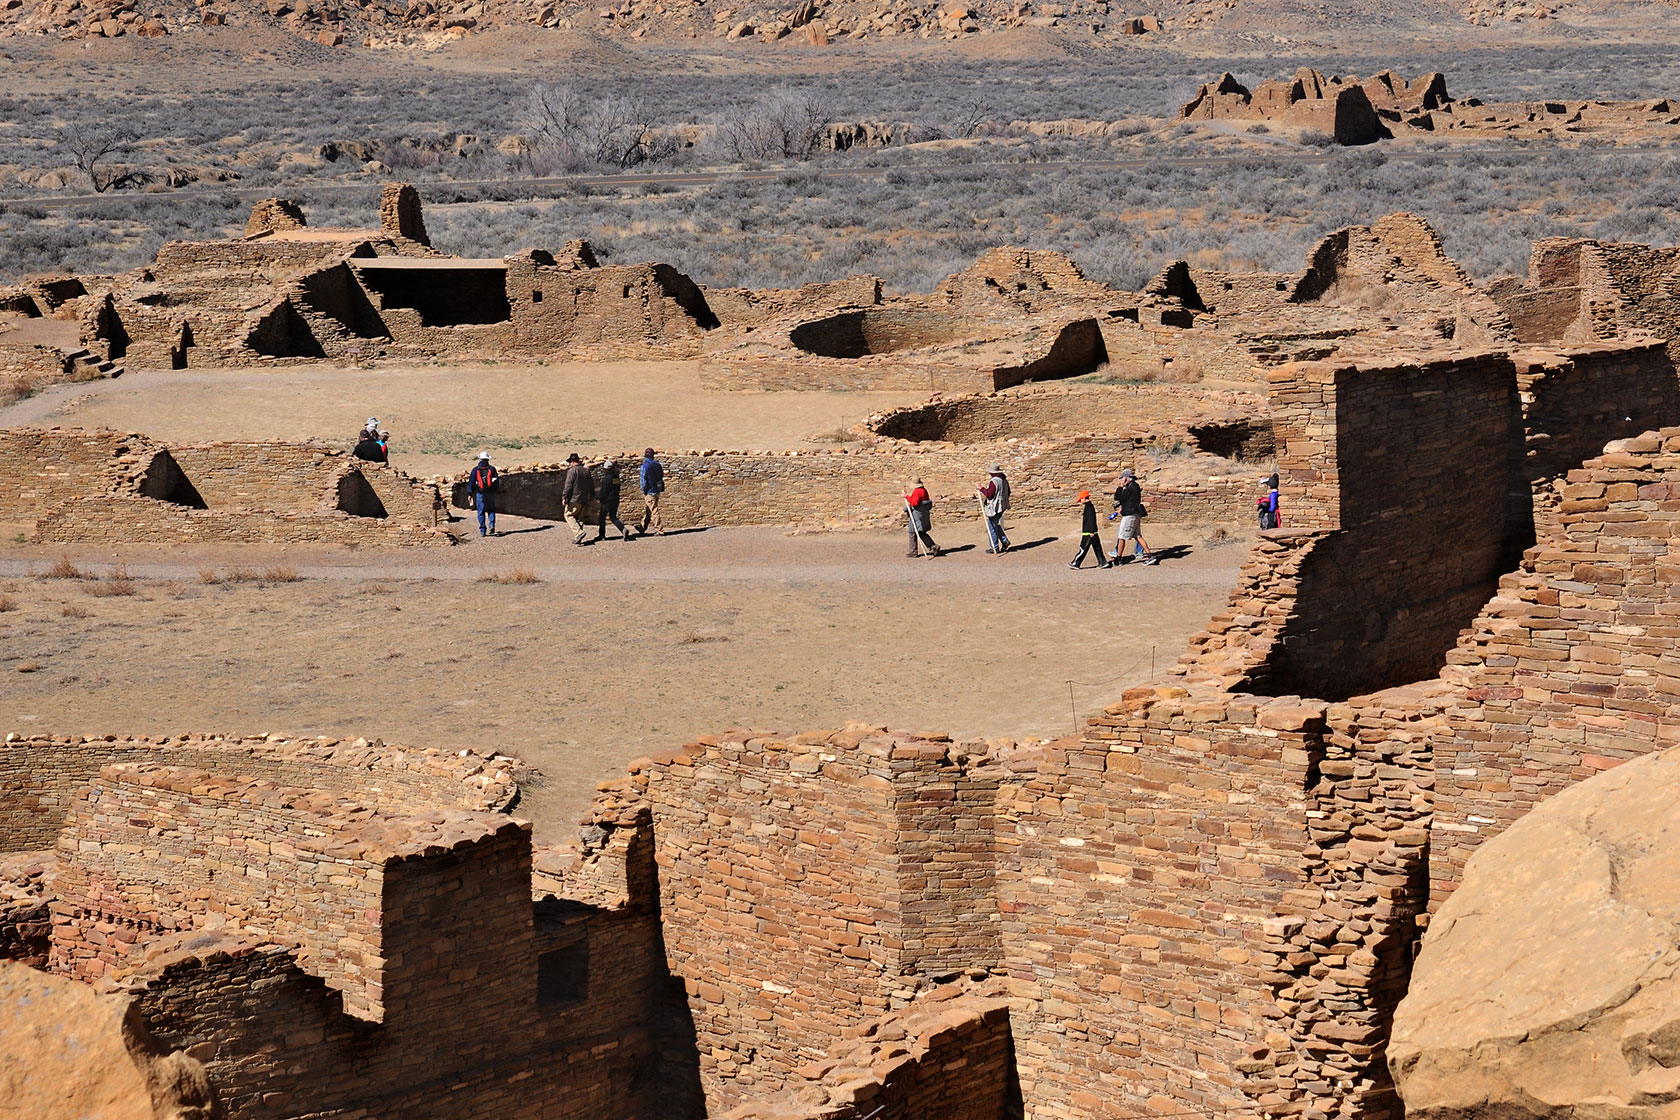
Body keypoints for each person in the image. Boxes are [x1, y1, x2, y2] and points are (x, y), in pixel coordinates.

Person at [1108, 468, 1158, 565]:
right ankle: (1150, 555)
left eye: (1122, 478)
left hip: (1130, 516)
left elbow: (1118, 497)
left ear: (1126, 478)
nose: (1121, 480)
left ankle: (1118, 558)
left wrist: (1120, 486)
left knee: (1121, 537)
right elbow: (1129, 501)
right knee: (1138, 536)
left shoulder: (1131, 487)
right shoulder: (1134, 486)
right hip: (1134, 513)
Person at [1069, 490, 1112, 569]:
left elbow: (1091, 520)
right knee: (1097, 548)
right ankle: (1103, 562)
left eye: (1080, 499)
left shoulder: (1089, 508)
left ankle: (1075, 563)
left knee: (1083, 548)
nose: (1080, 501)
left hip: (1088, 533)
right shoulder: (1089, 506)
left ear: (1084, 498)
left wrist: (1091, 531)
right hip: (1093, 532)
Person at [561, 452, 595, 546]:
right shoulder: (586, 471)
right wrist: (592, 495)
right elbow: (591, 484)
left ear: (572, 462)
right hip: (584, 498)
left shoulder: (572, 471)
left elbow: (568, 485)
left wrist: (564, 497)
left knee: (568, 515)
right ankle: (578, 538)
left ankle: (579, 533)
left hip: (574, 498)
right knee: (579, 518)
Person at [977, 464, 1011, 554]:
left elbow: (989, 494)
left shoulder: (994, 481)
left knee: (991, 526)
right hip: (1002, 505)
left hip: (995, 506)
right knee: (995, 524)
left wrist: (981, 489)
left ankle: (994, 546)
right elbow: (1008, 492)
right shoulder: (1004, 480)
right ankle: (1004, 540)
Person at [903, 477, 940, 558]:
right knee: (921, 531)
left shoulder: (917, 491)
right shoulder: (924, 490)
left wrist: (907, 496)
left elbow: (914, 503)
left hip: (917, 514)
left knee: (912, 532)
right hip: (923, 513)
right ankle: (933, 546)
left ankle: (913, 551)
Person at [595, 460, 630, 542]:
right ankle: (623, 529)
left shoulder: (607, 479)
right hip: (615, 499)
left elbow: (604, 492)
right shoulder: (616, 477)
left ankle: (602, 535)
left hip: (607, 501)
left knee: (602, 518)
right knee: (613, 517)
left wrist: (597, 497)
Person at [466, 451, 498, 538]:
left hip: (480, 493)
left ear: (479, 459)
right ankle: (491, 524)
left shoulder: (475, 470)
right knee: (491, 509)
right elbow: (496, 482)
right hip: (490, 493)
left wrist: (470, 493)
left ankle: (483, 530)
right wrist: (495, 490)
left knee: (481, 511)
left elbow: (471, 483)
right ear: (488, 459)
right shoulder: (492, 469)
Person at [637, 448, 665, 537]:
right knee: (649, 509)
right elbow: (661, 476)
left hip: (649, 491)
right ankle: (643, 527)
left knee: (653, 510)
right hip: (657, 490)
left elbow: (643, 480)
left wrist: (644, 490)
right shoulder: (658, 465)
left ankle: (659, 529)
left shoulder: (645, 466)